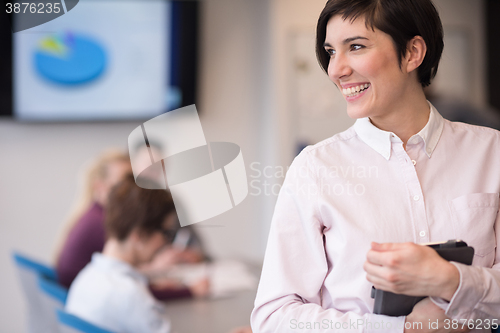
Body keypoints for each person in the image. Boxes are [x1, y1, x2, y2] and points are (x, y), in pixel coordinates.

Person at [251, 1, 500, 333]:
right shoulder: (314, 169)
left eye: (355, 47)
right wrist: (399, 328)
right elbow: (275, 318)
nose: (336, 70)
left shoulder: (492, 152)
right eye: (330, 52)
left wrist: (451, 279)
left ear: (412, 52)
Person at [65, 175, 176, 333]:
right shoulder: (131, 295)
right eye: (167, 233)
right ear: (139, 235)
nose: (167, 242)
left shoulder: (85, 278)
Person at [55, 149, 131, 288]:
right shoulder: (99, 224)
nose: (134, 190)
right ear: (99, 186)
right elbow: (131, 281)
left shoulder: (91, 215)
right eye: (125, 183)